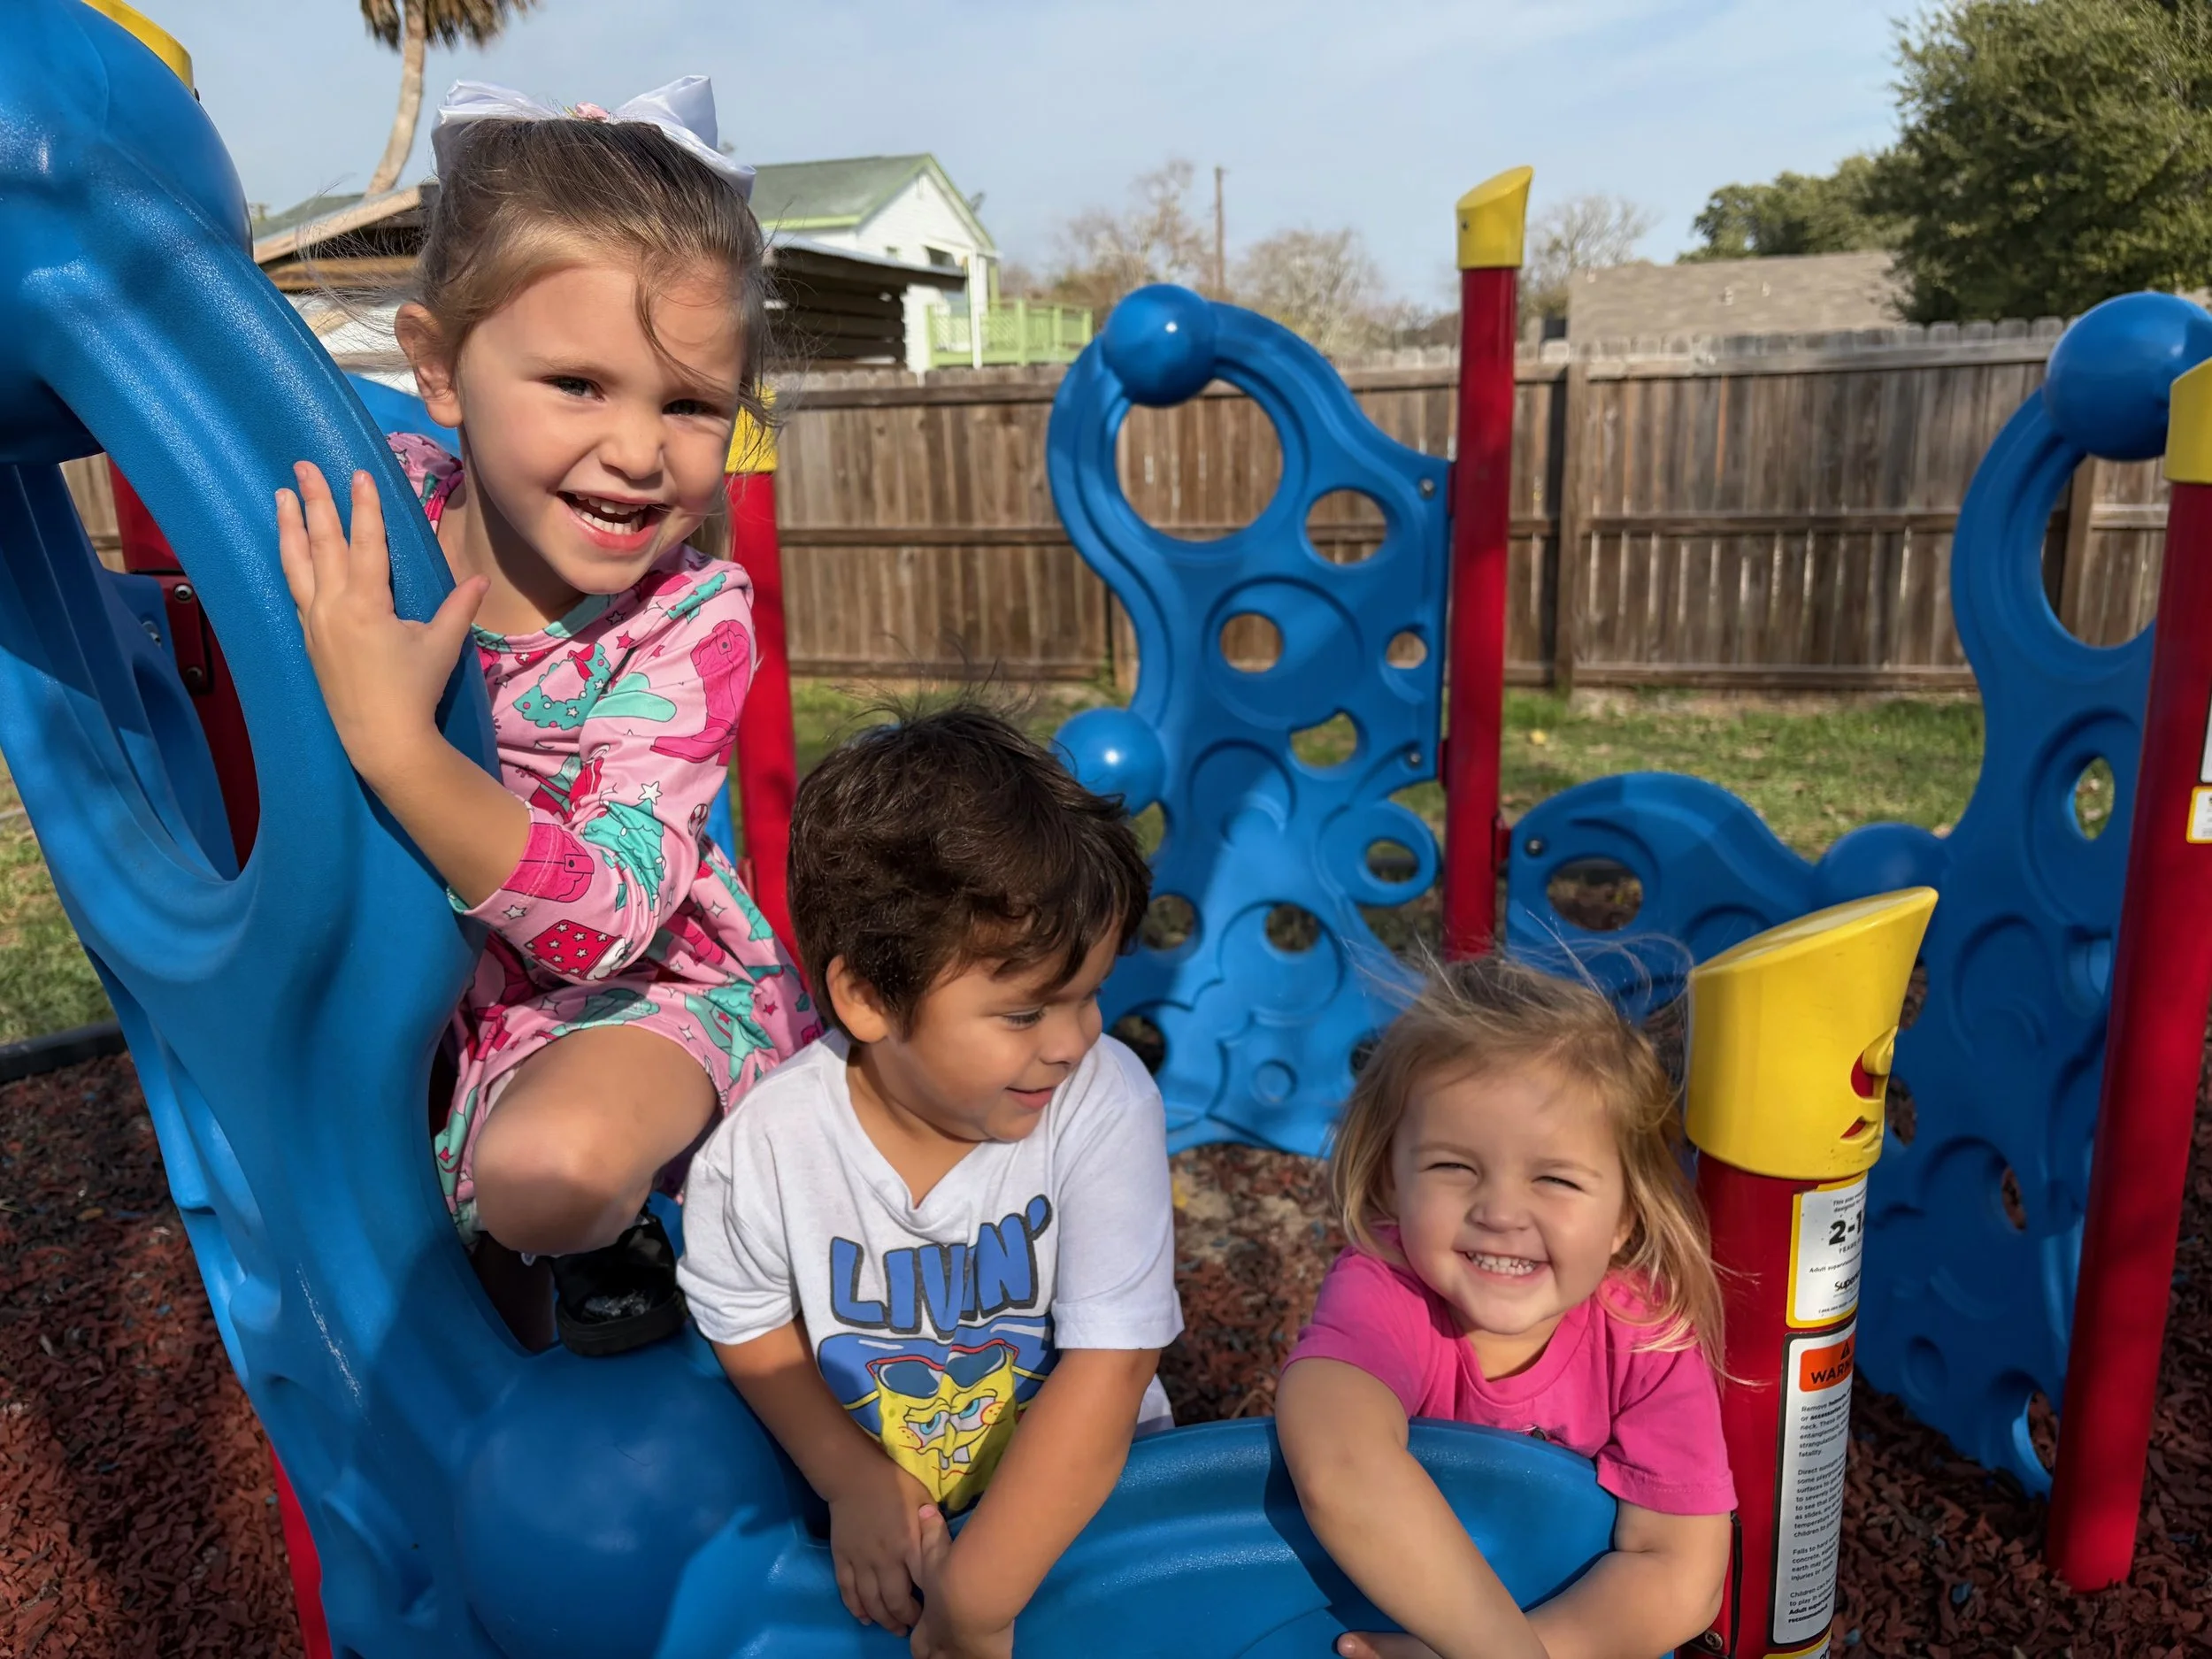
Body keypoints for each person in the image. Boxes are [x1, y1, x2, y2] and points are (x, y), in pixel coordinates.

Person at [275, 78, 818, 1356]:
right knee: (445, 1333)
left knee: (547, 1173)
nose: (640, 449)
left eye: (689, 403)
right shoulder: (382, 515)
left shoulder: (686, 621)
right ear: (436, 369)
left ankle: (630, 1248)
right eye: (580, 383)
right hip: (437, 1007)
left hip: (642, 998)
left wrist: (399, 746)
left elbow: (617, 910)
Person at [676, 704, 1183, 1659]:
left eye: (1089, 996)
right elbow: (744, 1320)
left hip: (1095, 1504)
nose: (1074, 1043)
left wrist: (979, 1599)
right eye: (1026, 1012)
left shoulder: (1102, 1101)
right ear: (867, 996)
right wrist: (848, 1476)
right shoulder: (767, 1149)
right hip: (887, 1513)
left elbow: (1110, 1365)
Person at [1276, 956, 1734, 1659]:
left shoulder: (1645, 1335)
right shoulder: (1388, 1289)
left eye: (1554, 1177)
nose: (1499, 1212)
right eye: (1454, 1166)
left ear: (1624, 1217)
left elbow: (1680, 1570)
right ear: (1391, 1181)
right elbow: (1338, 1461)